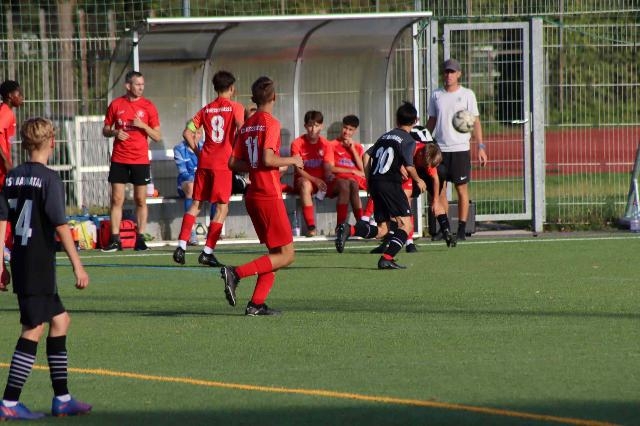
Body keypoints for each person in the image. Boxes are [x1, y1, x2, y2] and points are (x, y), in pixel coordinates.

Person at [0, 117, 91, 420]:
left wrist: (0, 264)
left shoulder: (12, 177)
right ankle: (9, 401)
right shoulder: (50, 179)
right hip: (38, 265)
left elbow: (1, 223)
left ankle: (62, 398)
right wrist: (78, 266)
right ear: (52, 142)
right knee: (33, 329)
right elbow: (61, 226)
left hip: (22, 261)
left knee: (61, 321)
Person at [223, 76, 303, 315]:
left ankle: (256, 304)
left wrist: (255, 166)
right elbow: (268, 159)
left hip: (253, 195)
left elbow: (232, 163)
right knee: (287, 255)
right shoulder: (271, 122)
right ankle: (236, 273)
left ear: (254, 99)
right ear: (275, 97)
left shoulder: (247, 125)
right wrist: (292, 159)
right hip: (268, 194)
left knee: (276, 254)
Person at [335, 101, 426, 269]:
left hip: (376, 183)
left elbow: (366, 156)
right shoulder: (408, 140)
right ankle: (387, 258)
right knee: (406, 226)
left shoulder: (385, 136)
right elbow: (409, 166)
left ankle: (349, 229)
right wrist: (418, 179)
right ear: (415, 121)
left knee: (383, 230)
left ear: (397, 120)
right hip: (391, 184)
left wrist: (369, 181)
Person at [172, 70, 244, 267]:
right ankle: (207, 252)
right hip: (223, 164)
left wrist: (198, 152)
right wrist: (237, 153)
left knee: (196, 204)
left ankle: (181, 246)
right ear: (231, 88)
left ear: (215, 88)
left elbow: (187, 133)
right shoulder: (236, 107)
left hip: (204, 162)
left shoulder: (205, 110)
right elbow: (241, 129)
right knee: (222, 207)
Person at [426, 58, 487, 240]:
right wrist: (423, 140)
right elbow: (432, 120)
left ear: (459, 74)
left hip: (460, 149)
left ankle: (461, 229)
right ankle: (444, 229)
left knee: (461, 189)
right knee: (440, 190)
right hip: (440, 149)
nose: (449, 75)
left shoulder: (467, 94)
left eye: (452, 72)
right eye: (446, 71)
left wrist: (481, 147)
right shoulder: (436, 95)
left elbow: (475, 121)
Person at [102, 70, 162, 252]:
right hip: (120, 158)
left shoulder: (148, 106)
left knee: (140, 199)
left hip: (140, 159)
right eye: (138, 84)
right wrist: (114, 132)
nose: (141, 87)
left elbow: (157, 136)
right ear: (128, 86)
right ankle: (115, 239)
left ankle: (140, 239)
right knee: (117, 198)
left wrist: (143, 125)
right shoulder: (116, 104)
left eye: (142, 84)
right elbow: (105, 129)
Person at [289, 110, 329, 237]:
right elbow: (298, 169)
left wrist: (330, 177)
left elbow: (328, 167)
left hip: (321, 183)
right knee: (305, 184)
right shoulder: (297, 143)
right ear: (305, 126)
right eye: (310, 125)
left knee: (346, 185)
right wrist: (315, 180)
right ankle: (311, 227)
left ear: (321, 126)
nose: (313, 129)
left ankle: (347, 226)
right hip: (304, 181)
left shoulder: (326, 144)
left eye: (316, 125)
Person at [324, 115, 367, 228]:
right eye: (345, 128)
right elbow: (330, 168)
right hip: (337, 181)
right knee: (345, 184)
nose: (346, 132)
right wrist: (352, 171)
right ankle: (340, 225)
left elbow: (363, 170)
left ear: (355, 131)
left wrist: (352, 149)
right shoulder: (331, 145)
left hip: (353, 182)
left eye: (350, 129)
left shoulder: (357, 147)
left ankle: (360, 224)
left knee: (352, 183)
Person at [0, 80, 24, 261]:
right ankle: (4, 247)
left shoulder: (7, 112)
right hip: (1, 171)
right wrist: (6, 163)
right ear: (10, 96)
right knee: (5, 208)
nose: (22, 97)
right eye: (19, 94)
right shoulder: (6, 113)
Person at [173, 122, 206, 246]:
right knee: (191, 186)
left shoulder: (205, 147)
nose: (195, 136)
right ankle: (190, 232)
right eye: (192, 132)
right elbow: (183, 172)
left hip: (201, 182)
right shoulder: (179, 149)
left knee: (217, 188)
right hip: (185, 184)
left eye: (198, 133)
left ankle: (214, 230)